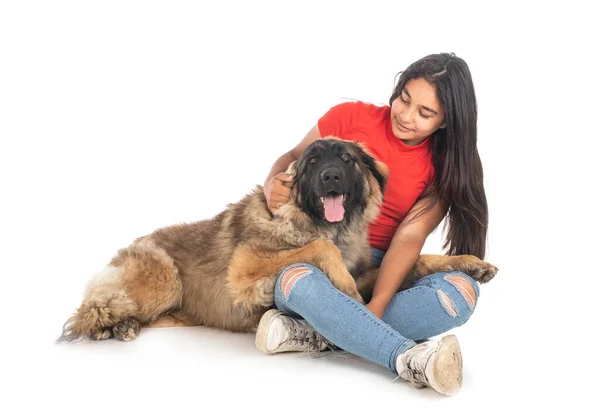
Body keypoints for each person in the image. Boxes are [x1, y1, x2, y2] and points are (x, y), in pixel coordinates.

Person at [255, 53, 488, 396]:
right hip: (315, 258)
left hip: (375, 270)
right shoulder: (349, 117)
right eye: (404, 99)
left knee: (463, 294)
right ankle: (410, 360)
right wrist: (271, 183)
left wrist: (377, 304)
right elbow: (292, 157)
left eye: (425, 113)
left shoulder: (443, 169)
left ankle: (312, 333)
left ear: (446, 122)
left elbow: (408, 239)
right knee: (297, 283)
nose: (406, 116)